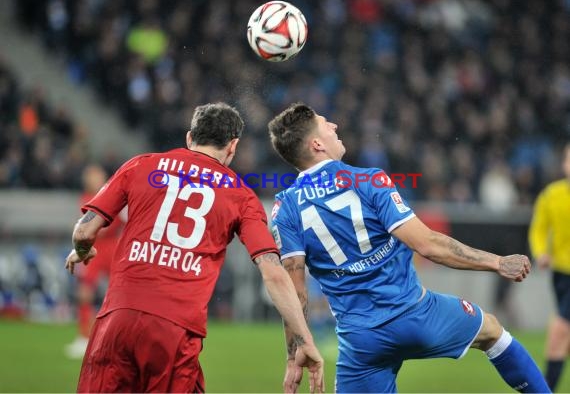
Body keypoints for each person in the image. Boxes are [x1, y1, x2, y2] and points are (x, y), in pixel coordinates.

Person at [268, 103, 550, 393]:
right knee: (492, 332)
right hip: (416, 315)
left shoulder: (285, 207)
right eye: (326, 124)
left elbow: (294, 291)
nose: (334, 127)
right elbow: (428, 245)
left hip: (361, 342)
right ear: (317, 144)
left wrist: (294, 353)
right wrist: (497, 262)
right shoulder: (369, 180)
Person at [65, 102, 324, 393]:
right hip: (173, 331)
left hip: (116, 321)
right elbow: (273, 273)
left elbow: (85, 231)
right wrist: (305, 339)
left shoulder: (141, 165)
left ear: (190, 138)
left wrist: (83, 251)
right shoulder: (241, 196)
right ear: (233, 147)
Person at [65, 164, 124, 359]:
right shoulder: (86, 198)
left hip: (115, 247)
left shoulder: (114, 191)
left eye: (94, 175)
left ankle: (120, 338)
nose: (90, 179)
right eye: (88, 175)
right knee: (84, 294)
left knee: (122, 294)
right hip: (94, 248)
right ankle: (84, 337)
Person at [529, 142, 570, 391]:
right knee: (564, 338)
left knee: (559, 331)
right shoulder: (551, 195)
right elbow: (539, 229)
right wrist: (541, 252)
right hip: (561, 273)